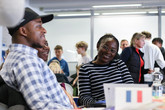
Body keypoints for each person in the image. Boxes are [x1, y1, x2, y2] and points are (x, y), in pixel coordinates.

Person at [0, 7, 75, 109]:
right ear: (23, 31)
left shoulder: (16, 58)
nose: (44, 30)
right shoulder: (26, 61)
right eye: (39, 25)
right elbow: (41, 106)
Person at [79, 34, 133, 107]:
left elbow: (131, 87)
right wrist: (103, 104)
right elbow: (84, 98)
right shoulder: (86, 69)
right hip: (100, 107)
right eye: (105, 47)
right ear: (98, 46)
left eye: (113, 50)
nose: (108, 52)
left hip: (122, 105)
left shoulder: (119, 64)